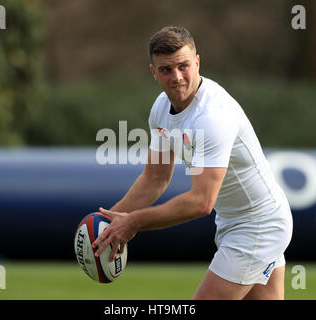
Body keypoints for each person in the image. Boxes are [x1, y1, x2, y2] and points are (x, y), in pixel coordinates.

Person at [92, 26, 293, 300]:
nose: (176, 77)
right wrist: (106, 225)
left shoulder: (212, 115)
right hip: (235, 223)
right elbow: (155, 178)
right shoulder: (161, 108)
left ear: (197, 62)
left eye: (183, 66)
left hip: (259, 226)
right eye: (166, 70)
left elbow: (201, 202)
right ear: (153, 72)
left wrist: (133, 222)